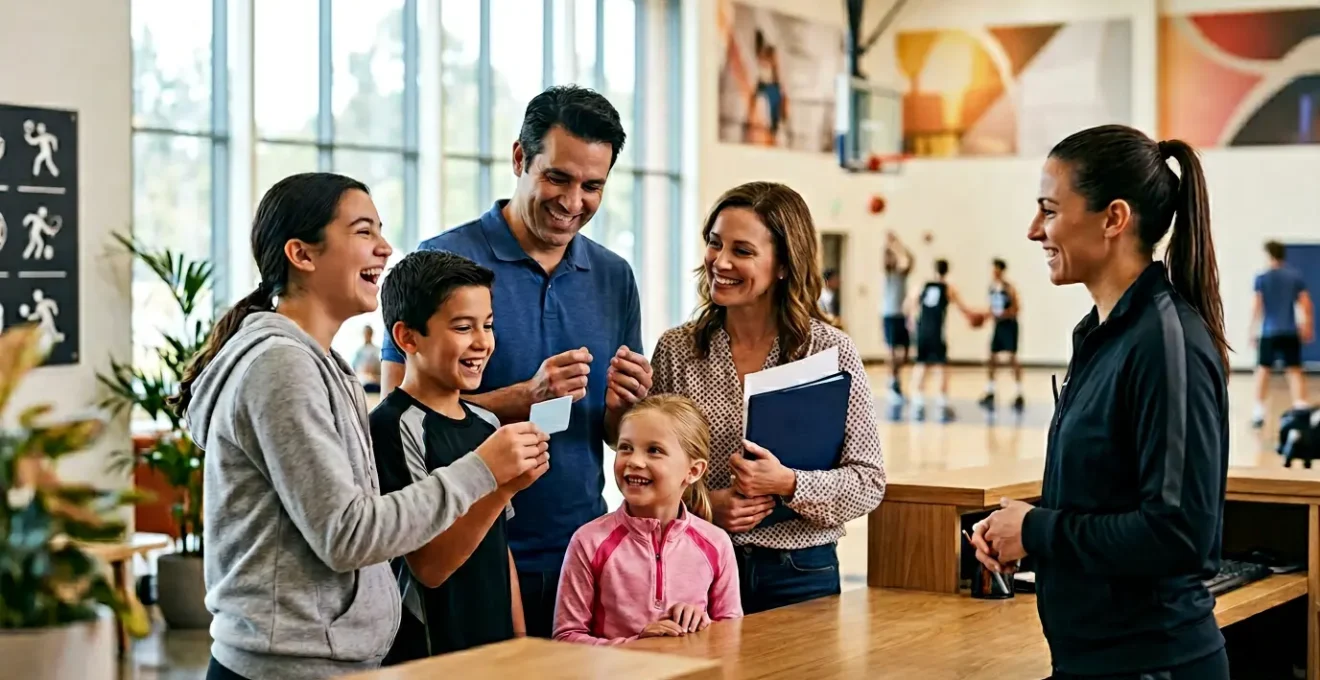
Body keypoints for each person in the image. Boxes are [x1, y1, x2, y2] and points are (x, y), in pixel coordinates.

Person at [178, 173, 548, 680]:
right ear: (302, 255)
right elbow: (348, 533)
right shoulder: (281, 366)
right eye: (363, 231)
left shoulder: (324, 366)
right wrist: (482, 471)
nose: (385, 246)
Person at [377, 85, 652, 638]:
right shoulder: (442, 263)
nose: (574, 202)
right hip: (466, 550)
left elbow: (609, 430)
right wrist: (521, 399)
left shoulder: (614, 276)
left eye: (592, 186)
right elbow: (397, 410)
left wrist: (627, 410)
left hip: (583, 547)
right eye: (559, 178)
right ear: (520, 159)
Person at [971, 125, 1232, 679]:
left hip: (1152, 663)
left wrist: (1039, 530)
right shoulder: (1100, 334)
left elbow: (1180, 534)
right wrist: (1020, 536)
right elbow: (1105, 502)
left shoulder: (1166, 344)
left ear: (1114, 218)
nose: (1033, 230)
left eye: (1049, 210)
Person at [649, 181, 885, 614]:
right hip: (694, 566)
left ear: (782, 264)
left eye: (742, 251)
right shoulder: (677, 350)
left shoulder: (828, 351)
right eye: (715, 244)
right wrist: (704, 503)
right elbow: (647, 470)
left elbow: (868, 483)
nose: (720, 262)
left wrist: (789, 483)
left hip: (800, 573)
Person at [371, 250, 552, 663]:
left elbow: (498, 545)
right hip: (431, 650)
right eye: (462, 327)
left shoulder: (487, 424)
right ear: (407, 337)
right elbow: (429, 568)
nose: (482, 342)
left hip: (495, 645)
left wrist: (520, 638)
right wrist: (499, 482)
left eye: (487, 325)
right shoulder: (392, 426)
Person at [553, 394, 743, 644]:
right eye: (625, 447)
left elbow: (733, 637)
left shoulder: (717, 544)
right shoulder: (588, 542)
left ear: (693, 471)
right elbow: (566, 638)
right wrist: (636, 645)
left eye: (654, 450)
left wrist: (703, 625)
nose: (634, 461)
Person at [905, 259, 982, 423]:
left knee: (921, 365)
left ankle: (918, 404)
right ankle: (942, 404)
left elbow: (909, 303)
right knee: (941, 367)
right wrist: (975, 316)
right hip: (936, 331)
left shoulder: (922, 285)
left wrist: (911, 321)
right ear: (947, 271)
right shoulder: (948, 288)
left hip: (922, 330)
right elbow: (963, 308)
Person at [1251, 240, 1312, 428]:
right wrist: (1308, 325)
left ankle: (1259, 411)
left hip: (1269, 332)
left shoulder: (1262, 278)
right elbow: (1306, 303)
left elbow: (1257, 306)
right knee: (1294, 369)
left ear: (1269, 255)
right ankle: (1300, 407)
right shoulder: (1294, 276)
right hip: (1289, 331)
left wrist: (1252, 330)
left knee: (1263, 369)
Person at [979, 258, 1024, 412]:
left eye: (994, 269)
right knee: (991, 358)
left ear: (1000, 270)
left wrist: (1003, 313)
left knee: (1012, 359)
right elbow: (992, 309)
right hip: (998, 326)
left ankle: (1019, 393)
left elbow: (1017, 308)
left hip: (1009, 325)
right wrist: (983, 316)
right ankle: (990, 391)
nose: (992, 272)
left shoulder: (1009, 288)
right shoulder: (992, 288)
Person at [880, 231, 914, 401]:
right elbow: (887, 259)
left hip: (902, 314)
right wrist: (890, 247)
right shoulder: (888, 272)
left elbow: (910, 260)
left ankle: (894, 377)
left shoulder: (902, 274)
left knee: (906, 354)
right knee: (892, 351)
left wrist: (898, 245)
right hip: (889, 313)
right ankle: (894, 382)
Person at [354, 325, 382, 393]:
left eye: (368, 333)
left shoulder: (377, 350)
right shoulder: (359, 351)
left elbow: (380, 368)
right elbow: (355, 368)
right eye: (365, 333)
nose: (366, 336)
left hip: (374, 380)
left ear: (371, 334)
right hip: (362, 380)